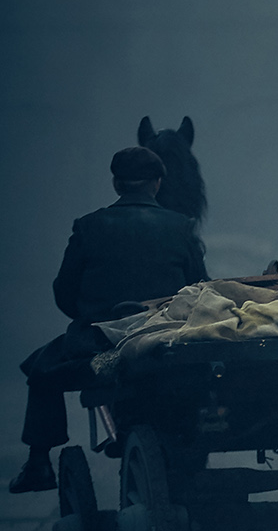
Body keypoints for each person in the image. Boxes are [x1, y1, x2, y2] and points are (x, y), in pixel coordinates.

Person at [11, 147, 208, 493]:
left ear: (117, 183)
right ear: (157, 184)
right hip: (165, 344)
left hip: (101, 349)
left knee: (41, 369)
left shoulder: (88, 227)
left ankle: (39, 462)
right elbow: (199, 289)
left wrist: (95, 316)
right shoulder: (182, 228)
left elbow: (64, 293)